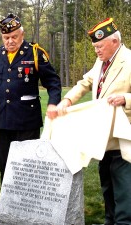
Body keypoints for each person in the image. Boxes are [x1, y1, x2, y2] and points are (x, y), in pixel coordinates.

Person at [0, 13, 61, 183]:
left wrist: (53, 103)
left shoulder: (34, 53)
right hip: (3, 118)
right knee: (5, 162)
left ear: (22, 35)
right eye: (6, 38)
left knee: (27, 163)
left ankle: (27, 203)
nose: (10, 41)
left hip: (27, 119)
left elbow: (53, 82)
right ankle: (8, 202)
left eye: (14, 37)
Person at [56, 18, 131, 224]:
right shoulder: (101, 61)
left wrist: (126, 98)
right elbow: (85, 82)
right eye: (95, 47)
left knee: (124, 188)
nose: (96, 51)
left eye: (99, 46)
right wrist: (67, 99)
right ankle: (110, 220)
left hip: (124, 138)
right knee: (106, 184)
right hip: (103, 137)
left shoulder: (129, 60)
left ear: (114, 41)